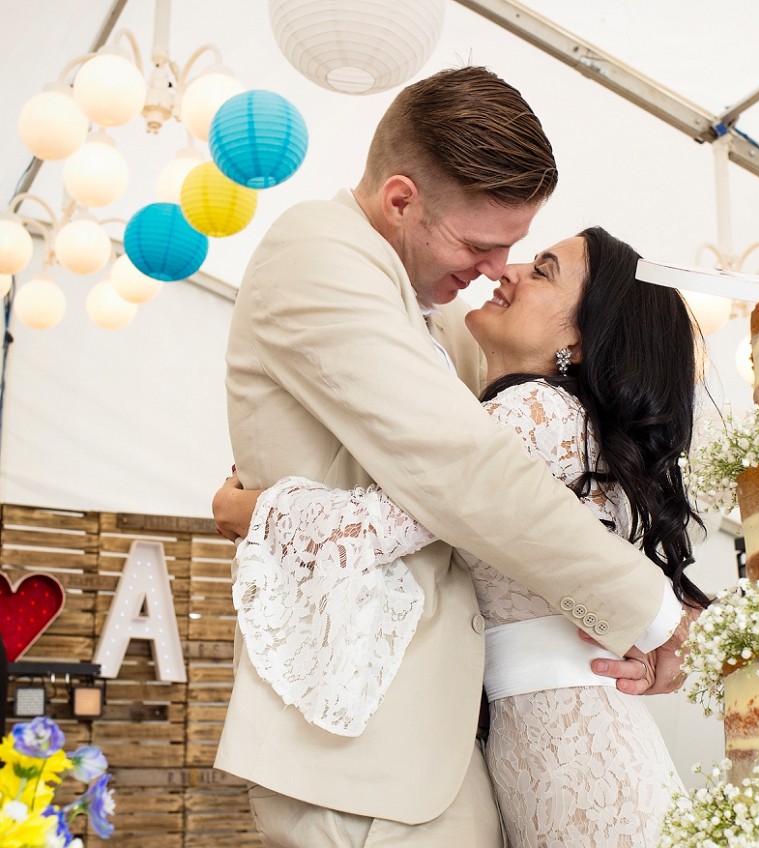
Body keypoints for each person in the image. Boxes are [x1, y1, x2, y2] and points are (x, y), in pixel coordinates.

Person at [213, 65, 695, 847]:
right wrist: (650, 611)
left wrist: (670, 613)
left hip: (447, 743)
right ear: (401, 199)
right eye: (481, 244)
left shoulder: (433, 325)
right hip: (365, 745)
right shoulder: (318, 252)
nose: (495, 269)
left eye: (524, 256)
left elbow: (539, 459)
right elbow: (463, 467)